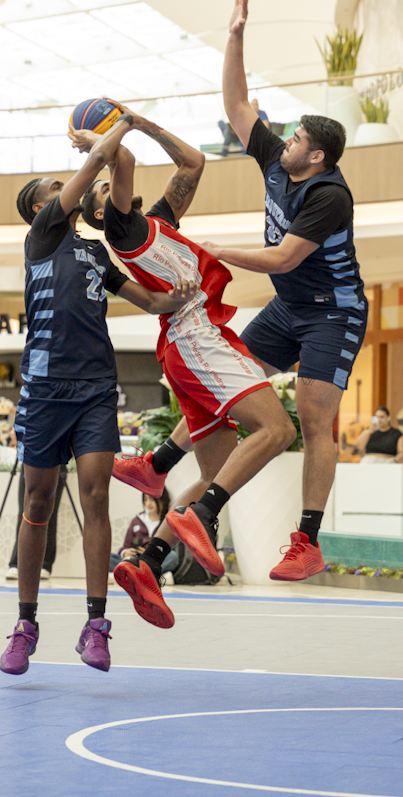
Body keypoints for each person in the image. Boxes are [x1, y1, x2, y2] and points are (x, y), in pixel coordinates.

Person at [114, 0, 368, 584]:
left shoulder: (329, 194)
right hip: (288, 308)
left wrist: (216, 251)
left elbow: (284, 257)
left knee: (313, 414)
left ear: (318, 156)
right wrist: (234, 36)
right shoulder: (280, 162)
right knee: (229, 378)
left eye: (298, 137)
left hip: (334, 312)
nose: (287, 140)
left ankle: (306, 540)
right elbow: (236, 105)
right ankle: (159, 464)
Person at [75, 105, 294, 628]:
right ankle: (193, 505)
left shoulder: (156, 223)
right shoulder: (123, 230)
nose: (114, 189)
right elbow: (122, 158)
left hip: (191, 345)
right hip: (195, 340)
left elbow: (193, 163)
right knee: (278, 429)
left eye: (110, 187)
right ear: (103, 212)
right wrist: (109, 135)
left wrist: (144, 123)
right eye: (105, 192)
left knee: (219, 473)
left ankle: (146, 561)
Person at [0, 111, 197, 676]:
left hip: (93, 391)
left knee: (95, 498)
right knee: (37, 502)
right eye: (57, 190)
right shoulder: (40, 238)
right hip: (42, 390)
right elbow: (93, 168)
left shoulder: (93, 254)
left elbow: (150, 301)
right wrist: (111, 135)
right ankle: (25, 623)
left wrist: (179, 295)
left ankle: (95, 626)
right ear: (40, 208)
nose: (70, 191)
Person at [112, 489, 179, 579]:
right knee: (109, 558)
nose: (148, 503)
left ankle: (134, 574)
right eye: (146, 499)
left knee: (173, 557)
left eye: (152, 499)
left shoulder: (167, 522)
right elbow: (124, 547)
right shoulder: (136, 520)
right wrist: (126, 553)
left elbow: (170, 548)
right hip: (135, 560)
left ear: (162, 500)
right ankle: (148, 575)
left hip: (154, 560)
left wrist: (151, 553)